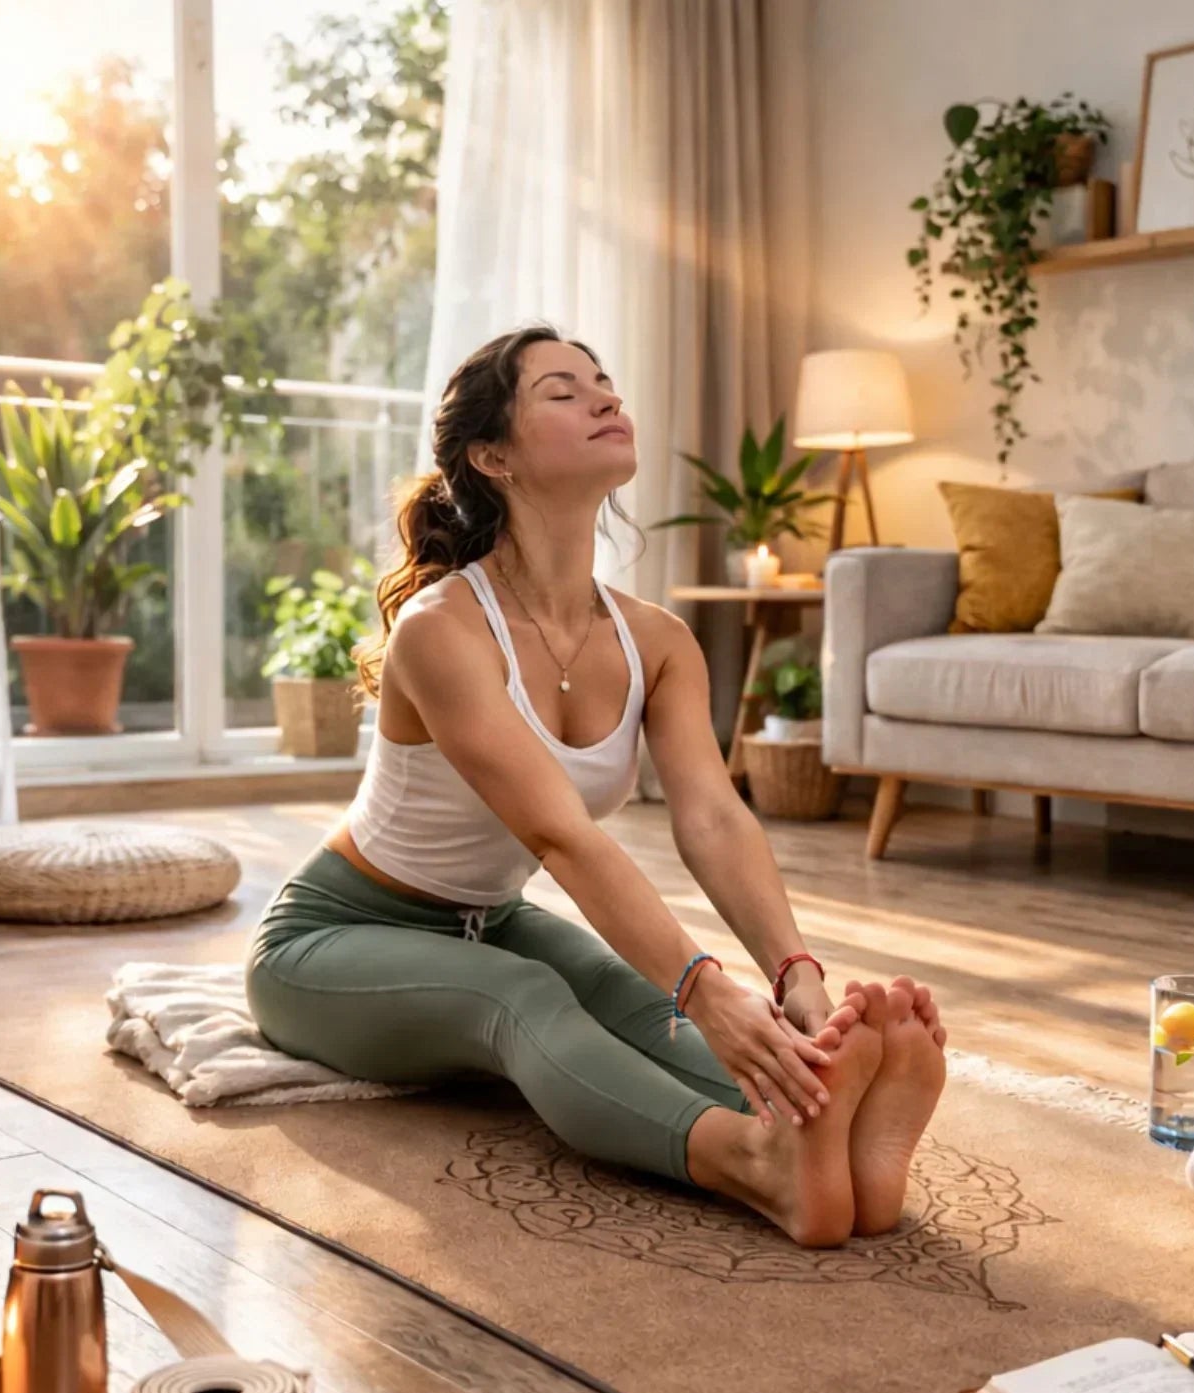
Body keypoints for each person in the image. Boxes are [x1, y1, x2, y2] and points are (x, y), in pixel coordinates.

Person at [245, 325, 948, 1246]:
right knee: (523, 1001)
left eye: (605, 383)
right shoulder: (443, 629)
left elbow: (712, 817)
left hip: (490, 919)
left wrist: (793, 977)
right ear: (493, 454)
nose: (606, 400)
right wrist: (709, 988)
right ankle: (756, 1162)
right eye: (563, 392)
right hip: (335, 938)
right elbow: (562, 838)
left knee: (638, 1004)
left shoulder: (656, 640)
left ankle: (837, 1133)